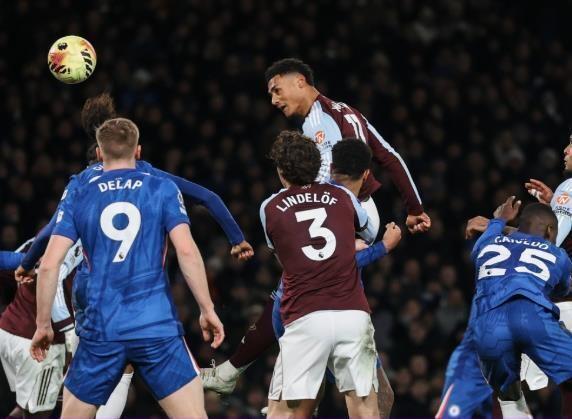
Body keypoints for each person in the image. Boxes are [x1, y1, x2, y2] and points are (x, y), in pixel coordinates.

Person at [29, 118, 224, 418]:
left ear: (99, 154)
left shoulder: (80, 192)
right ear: (138, 151)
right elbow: (187, 251)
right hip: (155, 326)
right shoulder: (162, 188)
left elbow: (49, 265)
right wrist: (207, 309)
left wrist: (43, 325)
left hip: (100, 330)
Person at [260, 131, 400, 417]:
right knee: (366, 409)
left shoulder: (270, 207)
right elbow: (364, 234)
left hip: (305, 316)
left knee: (283, 413)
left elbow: (285, 255)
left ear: (281, 171)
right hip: (352, 314)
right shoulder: (343, 196)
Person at [471, 197, 572, 418]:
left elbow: (482, 246)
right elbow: (563, 289)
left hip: (487, 325)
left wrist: (500, 220)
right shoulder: (557, 254)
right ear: (549, 230)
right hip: (531, 316)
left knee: (508, 396)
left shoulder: (488, 243)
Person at [0, 239, 78, 417]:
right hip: (40, 348)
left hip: (8, 331)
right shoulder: (85, 248)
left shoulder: (37, 241)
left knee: (26, 406)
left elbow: (8, 265)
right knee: (39, 413)